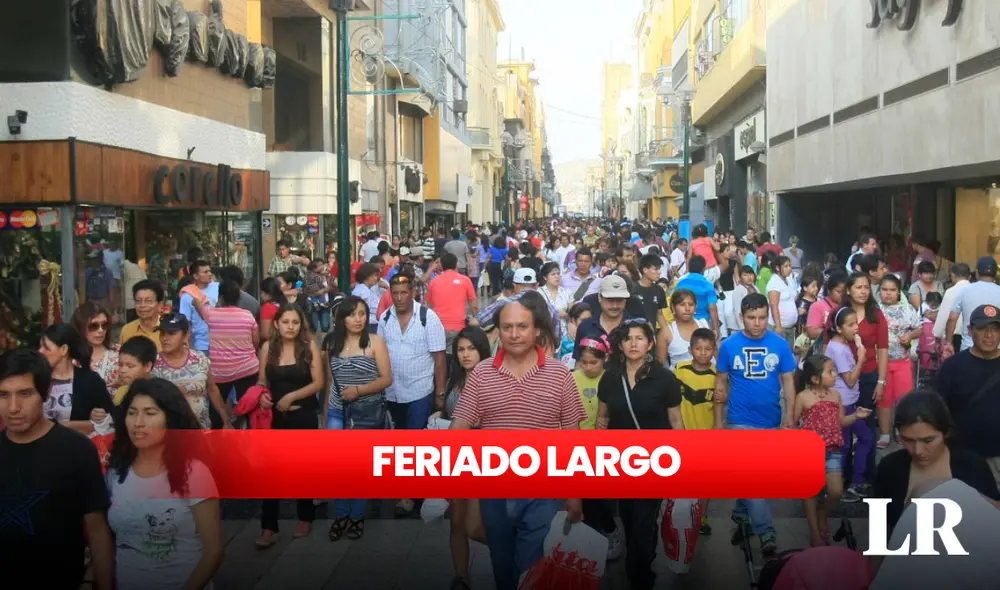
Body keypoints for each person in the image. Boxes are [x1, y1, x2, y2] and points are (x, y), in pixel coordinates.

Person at [449, 298, 586, 590]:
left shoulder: (560, 375)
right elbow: (458, 429)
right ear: (497, 331)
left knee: (531, 568)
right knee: (502, 567)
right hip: (494, 492)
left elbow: (573, 436)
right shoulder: (482, 375)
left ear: (536, 330)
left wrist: (575, 493)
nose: (514, 334)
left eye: (522, 326)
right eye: (507, 327)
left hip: (543, 491)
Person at [0, 349, 116, 589]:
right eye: (3, 395)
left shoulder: (77, 450)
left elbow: (97, 530)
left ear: (46, 393)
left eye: (25, 393)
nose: (13, 407)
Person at [106, 378, 223, 590]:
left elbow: (213, 551)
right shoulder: (116, 471)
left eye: (150, 413)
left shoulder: (194, 473)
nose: (138, 422)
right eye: (132, 413)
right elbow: (106, 540)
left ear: (170, 419)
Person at [597, 319, 684, 588]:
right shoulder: (610, 378)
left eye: (639, 338)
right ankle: (642, 558)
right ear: (620, 344)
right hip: (620, 460)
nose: (633, 343)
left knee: (644, 519)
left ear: (650, 343)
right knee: (628, 516)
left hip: (655, 460)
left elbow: (676, 421)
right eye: (628, 338)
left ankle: (639, 574)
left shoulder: (665, 378)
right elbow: (602, 418)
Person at [714, 293, 796, 555]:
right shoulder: (728, 345)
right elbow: (720, 383)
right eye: (752, 318)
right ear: (742, 318)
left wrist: (790, 415)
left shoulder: (780, 344)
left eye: (762, 317)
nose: (758, 323)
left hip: (771, 420)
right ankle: (766, 532)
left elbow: (789, 383)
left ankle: (740, 514)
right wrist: (718, 423)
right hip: (739, 421)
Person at [871, 390, 999, 548]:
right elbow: (878, 535)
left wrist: (964, 495)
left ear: (945, 432)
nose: (918, 450)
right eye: (908, 440)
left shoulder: (971, 466)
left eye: (928, 440)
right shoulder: (890, 468)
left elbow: (994, 518)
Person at [322, 296, 392, 540]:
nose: (358, 319)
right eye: (352, 314)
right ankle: (341, 515)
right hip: (336, 412)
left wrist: (359, 391)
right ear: (341, 318)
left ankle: (357, 516)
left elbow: (386, 379)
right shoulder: (331, 343)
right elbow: (329, 382)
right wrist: (324, 418)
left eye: (362, 313)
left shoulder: (375, 342)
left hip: (366, 414)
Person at [380, 271, 448, 517]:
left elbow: (439, 359)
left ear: (413, 293)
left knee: (415, 441)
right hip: (392, 392)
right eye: (395, 293)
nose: (399, 298)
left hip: (421, 390)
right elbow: (380, 353)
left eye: (403, 293)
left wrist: (440, 394)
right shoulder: (385, 318)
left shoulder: (427, 318)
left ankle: (409, 494)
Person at [256, 305, 324, 547]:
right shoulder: (268, 348)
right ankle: (268, 527)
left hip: (302, 416)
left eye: (295, 322)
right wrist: (263, 395)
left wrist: (291, 397)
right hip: (275, 419)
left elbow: (318, 382)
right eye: (285, 322)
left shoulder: (308, 347)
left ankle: (305, 517)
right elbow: (262, 381)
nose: (290, 327)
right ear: (276, 324)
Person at [432, 326, 490, 590]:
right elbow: (450, 416)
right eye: (461, 350)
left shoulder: (492, 379)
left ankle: (522, 549)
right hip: (456, 458)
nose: (466, 355)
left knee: (474, 527)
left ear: (482, 351)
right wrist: (439, 419)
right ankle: (461, 577)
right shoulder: (455, 379)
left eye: (471, 349)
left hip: (483, 460)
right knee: (456, 522)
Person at [936, 304, 1000, 487]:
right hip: (961, 459)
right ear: (970, 331)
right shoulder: (952, 367)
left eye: (995, 329)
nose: (989, 335)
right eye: (982, 329)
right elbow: (937, 411)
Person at [185, 279, 261, 410]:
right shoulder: (247, 315)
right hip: (248, 368)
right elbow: (256, 341)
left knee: (216, 410)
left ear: (220, 297)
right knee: (249, 407)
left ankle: (223, 425)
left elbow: (197, 303)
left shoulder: (211, 314)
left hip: (220, 372)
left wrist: (194, 298)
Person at [152, 313, 230, 431]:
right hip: (167, 434)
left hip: (201, 431)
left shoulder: (201, 360)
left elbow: (212, 389)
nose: (165, 338)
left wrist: (226, 421)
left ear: (186, 335)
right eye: (162, 333)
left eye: (172, 333)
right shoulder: (153, 365)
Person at [674, 327, 718, 534]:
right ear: (690, 349)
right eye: (698, 348)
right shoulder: (679, 370)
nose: (702, 353)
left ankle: (702, 516)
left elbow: (721, 405)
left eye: (707, 349)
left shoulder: (717, 376)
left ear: (713, 350)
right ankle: (682, 513)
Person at [38, 323, 114, 435]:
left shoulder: (90, 380)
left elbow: (109, 421)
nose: (40, 351)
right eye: (40, 346)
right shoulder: (36, 378)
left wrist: (98, 416)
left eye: (46, 347)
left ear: (63, 350)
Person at [876, 274, 921, 448]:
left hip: (902, 361)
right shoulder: (875, 310)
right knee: (884, 399)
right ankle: (885, 434)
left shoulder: (908, 309)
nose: (888, 294)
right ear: (879, 291)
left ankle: (902, 431)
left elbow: (920, 328)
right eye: (884, 290)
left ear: (899, 291)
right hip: (882, 364)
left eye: (892, 290)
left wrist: (910, 335)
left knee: (904, 399)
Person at [944, 256, 1000, 355]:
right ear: (995, 274)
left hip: (969, 348)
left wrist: (948, 343)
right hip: (996, 349)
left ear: (977, 273)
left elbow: (952, 318)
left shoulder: (965, 290)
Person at [426, 252, 479, 352]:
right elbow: (474, 307)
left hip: (438, 328)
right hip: (458, 327)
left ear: (442, 266)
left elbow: (429, 306)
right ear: (456, 264)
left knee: (440, 357)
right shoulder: (465, 280)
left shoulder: (434, 282)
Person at [71, 302, 120, 395]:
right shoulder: (70, 358)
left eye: (104, 325)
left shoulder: (119, 352)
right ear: (80, 327)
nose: (100, 330)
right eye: (94, 326)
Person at [177, 260, 219, 354]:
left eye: (209, 271)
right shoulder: (187, 295)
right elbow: (186, 321)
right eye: (205, 272)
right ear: (195, 276)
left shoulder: (219, 288)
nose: (210, 274)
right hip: (201, 344)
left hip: (221, 342)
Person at [663, 289, 710, 370]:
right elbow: (662, 363)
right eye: (682, 305)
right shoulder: (666, 332)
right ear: (673, 307)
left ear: (696, 307)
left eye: (691, 304)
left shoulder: (704, 324)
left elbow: (714, 353)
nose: (687, 308)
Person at [675, 255, 720, 335]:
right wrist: (716, 329)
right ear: (703, 268)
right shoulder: (707, 285)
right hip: (702, 325)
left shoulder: (680, 284)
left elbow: (675, 304)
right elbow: (712, 308)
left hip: (683, 324)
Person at [933, 262, 971, 350]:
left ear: (952, 275)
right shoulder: (975, 290)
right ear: (969, 276)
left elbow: (944, 316)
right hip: (973, 335)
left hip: (956, 336)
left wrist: (937, 335)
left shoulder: (951, 291)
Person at [111, 335, 158, 405]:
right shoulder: (121, 393)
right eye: (120, 365)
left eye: (130, 366)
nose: (123, 370)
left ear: (147, 366)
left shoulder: (160, 395)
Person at [120, 279, 165, 350]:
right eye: (138, 301)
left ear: (159, 305)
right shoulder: (127, 330)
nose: (142, 305)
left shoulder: (169, 330)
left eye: (148, 301)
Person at [766, 256, 799, 347]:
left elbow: (793, 297)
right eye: (786, 266)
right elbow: (774, 306)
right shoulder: (774, 283)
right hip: (780, 326)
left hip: (790, 327)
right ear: (777, 268)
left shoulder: (788, 279)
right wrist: (778, 326)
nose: (789, 268)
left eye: (790, 266)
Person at [352, 263, 384, 334]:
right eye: (375, 275)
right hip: (369, 326)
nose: (377, 278)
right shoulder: (363, 291)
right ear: (367, 276)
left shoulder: (366, 289)